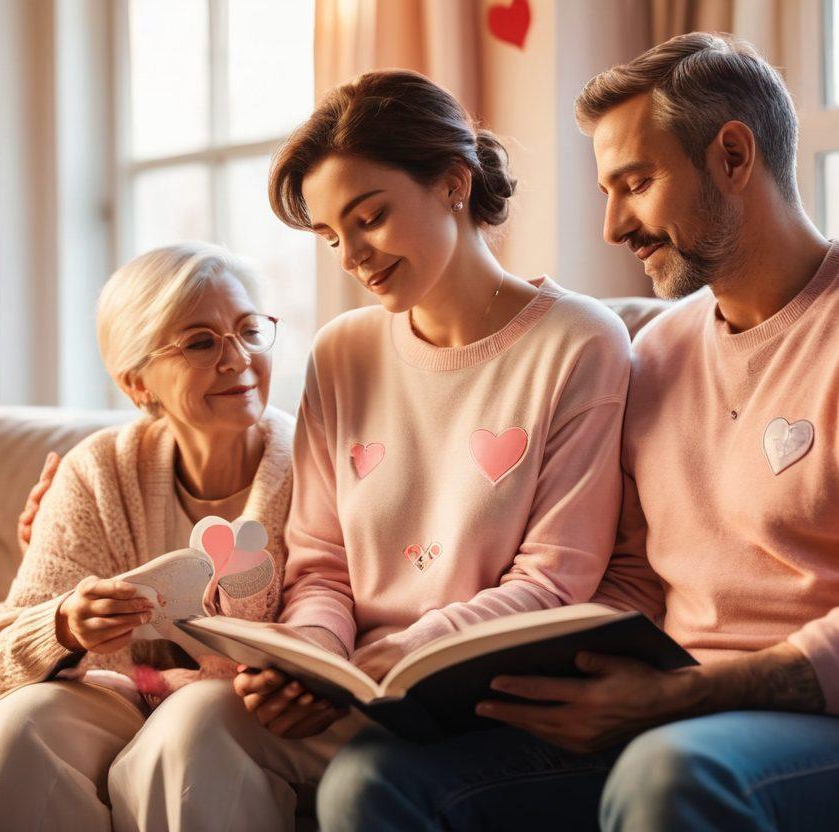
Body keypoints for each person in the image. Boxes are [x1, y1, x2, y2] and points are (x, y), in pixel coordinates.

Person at [315, 33, 839, 832]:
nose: (614, 226)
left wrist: (685, 696)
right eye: (608, 192)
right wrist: (563, 682)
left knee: (665, 776)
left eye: (637, 184)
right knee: (374, 778)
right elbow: (633, 574)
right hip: (665, 711)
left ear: (731, 156)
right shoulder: (657, 352)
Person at [225, 67, 633, 805]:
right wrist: (314, 659)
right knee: (190, 728)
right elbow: (321, 564)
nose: (351, 256)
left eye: (370, 217)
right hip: (357, 680)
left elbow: (554, 580)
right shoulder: (342, 353)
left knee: (353, 784)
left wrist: (396, 656)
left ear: (453, 183)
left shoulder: (581, 343)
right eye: (330, 236)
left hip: (479, 692)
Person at [0, 243, 296, 831]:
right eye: (200, 341)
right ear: (137, 381)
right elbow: (2, 654)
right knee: (18, 725)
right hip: (117, 689)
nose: (236, 358)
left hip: (238, 706)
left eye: (249, 330)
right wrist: (65, 624)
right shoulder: (97, 470)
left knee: (189, 727)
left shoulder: (311, 464)